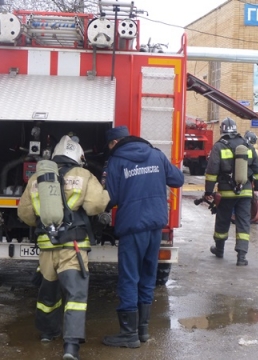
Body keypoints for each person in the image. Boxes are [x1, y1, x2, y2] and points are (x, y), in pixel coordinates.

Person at [17, 135, 110, 360]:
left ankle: (48, 333)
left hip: (47, 248)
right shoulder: (84, 175)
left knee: (48, 292)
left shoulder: (38, 178)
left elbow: (25, 214)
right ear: (78, 156)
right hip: (73, 247)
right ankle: (71, 347)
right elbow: (96, 205)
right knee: (75, 296)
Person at [102, 125, 184, 348]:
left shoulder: (116, 161)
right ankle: (143, 330)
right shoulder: (157, 154)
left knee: (130, 277)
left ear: (114, 143)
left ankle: (128, 334)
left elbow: (111, 198)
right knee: (148, 275)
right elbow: (177, 180)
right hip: (155, 225)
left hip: (132, 226)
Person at [204, 118, 258, 266]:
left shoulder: (219, 147)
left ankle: (219, 249)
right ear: (236, 130)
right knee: (243, 222)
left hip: (226, 192)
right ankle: (241, 257)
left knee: (223, 220)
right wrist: (257, 189)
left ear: (222, 130)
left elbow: (212, 171)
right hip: (246, 192)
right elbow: (257, 171)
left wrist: (208, 191)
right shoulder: (247, 145)